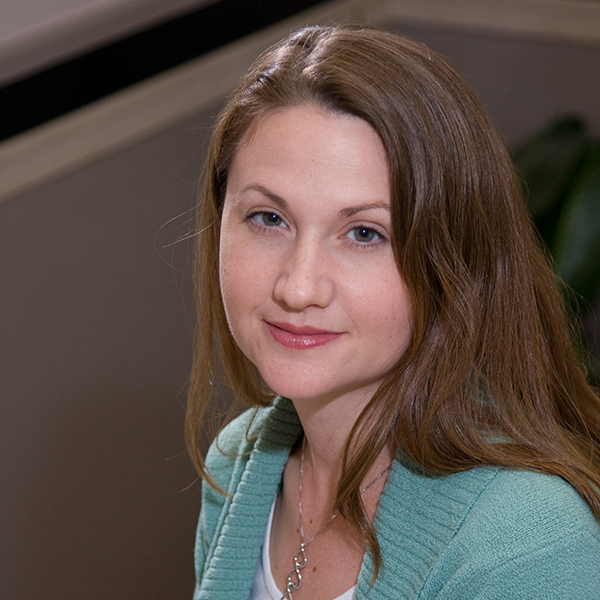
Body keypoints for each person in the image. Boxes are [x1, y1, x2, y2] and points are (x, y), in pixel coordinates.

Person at [185, 24, 600, 600]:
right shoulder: (237, 466)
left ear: (452, 262)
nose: (299, 287)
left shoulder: (527, 546)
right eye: (269, 219)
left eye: (363, 232)